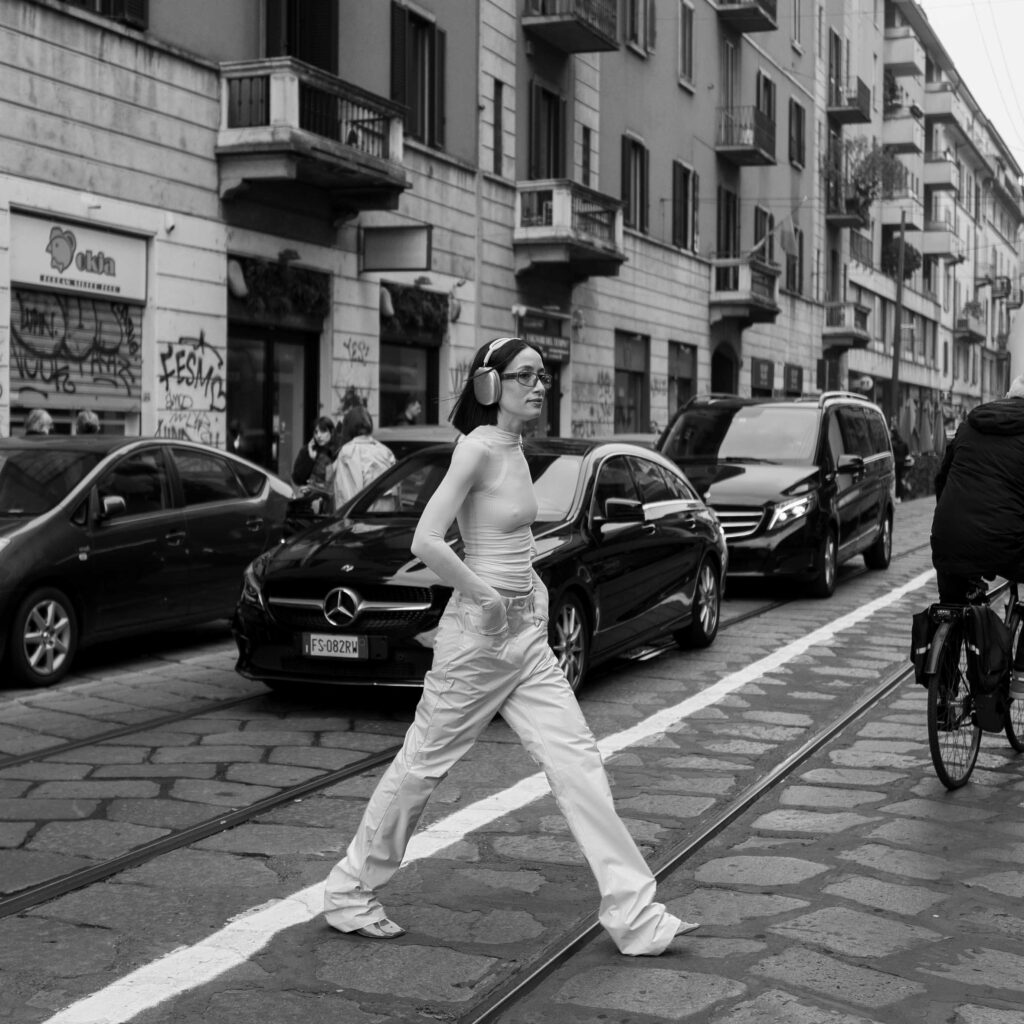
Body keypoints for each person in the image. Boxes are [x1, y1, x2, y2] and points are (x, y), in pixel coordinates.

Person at [322, 336, 696, 954]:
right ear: (489, 385)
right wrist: (488, 595)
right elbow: (426, 540)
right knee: (421, 769)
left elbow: (512, 537)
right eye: (525, 376)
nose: (539, 385)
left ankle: (637, 918)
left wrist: (531, 591)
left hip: (526, 639)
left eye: (543, 375)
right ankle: (349, 890)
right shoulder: (475, 449)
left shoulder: (515, 447)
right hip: (478, 640)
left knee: (578, 764)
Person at [931, 375, 1024, 694]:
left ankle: (942, 692)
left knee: (952, 601)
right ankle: (1022, 674)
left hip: (949, 533)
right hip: (1005, 538)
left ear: (1007, 396)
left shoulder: (972, 423)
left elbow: (941, 478)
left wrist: (949, 520)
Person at [331, 407, 396, 507]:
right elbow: (396, 492)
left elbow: (346, 497)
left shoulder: (347, 453)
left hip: (362, 519)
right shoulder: (385, 451)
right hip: (387, 518)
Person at [292, 416, 337, 514]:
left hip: (335, 505)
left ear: (331, 432)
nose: (319, 436)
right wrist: (311, 459)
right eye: (316, 432)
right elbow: (297, 479)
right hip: (311, 506)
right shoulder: (307, 450)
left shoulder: (337, 452)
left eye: (323, 431)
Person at [890, 424, 909, 503]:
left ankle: (897, 496)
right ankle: (901, 496)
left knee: (896, 480)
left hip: (896, 464)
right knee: (900, 479)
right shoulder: (903, 443)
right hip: (902, 464)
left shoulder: (892, 443)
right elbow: (906, 453)